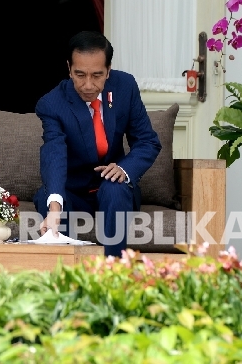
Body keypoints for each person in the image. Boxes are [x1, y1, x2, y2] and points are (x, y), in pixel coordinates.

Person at [34, 31, 161, 257]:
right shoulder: (52, 104)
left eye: (97, 75)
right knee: (48, 197)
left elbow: (147, 141)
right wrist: (55, 207)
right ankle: (65, 279)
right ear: (69, 69)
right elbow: (54, 153)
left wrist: (124, 168)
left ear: (108, 71)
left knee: (114, 190)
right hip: (74, 190)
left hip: (113, 188)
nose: (88, 85)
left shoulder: (125, 87)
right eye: (80, 75)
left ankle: (113, 272)